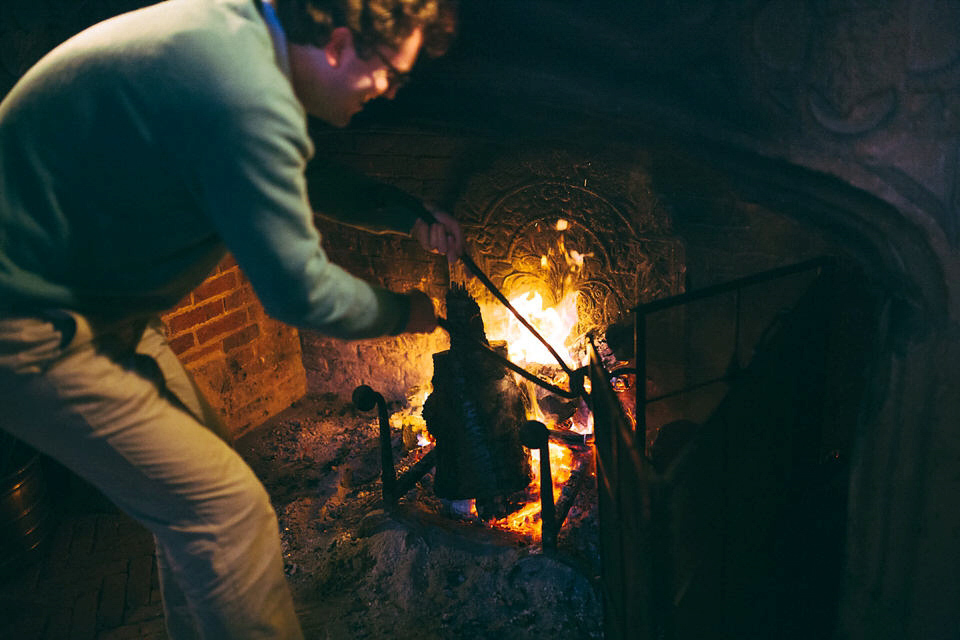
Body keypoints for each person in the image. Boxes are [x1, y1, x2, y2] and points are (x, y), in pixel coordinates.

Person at [0, 0, 462, 637]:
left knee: (201, 508)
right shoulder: (239, 87)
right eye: (390, 71)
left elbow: (302, 177)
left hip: (99, 311)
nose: (388, 91)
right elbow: (299, 295)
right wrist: (407, 312)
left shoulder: (239, 37)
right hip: (27, 321)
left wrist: (407, 212)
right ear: (336, 43)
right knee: (225, 512)